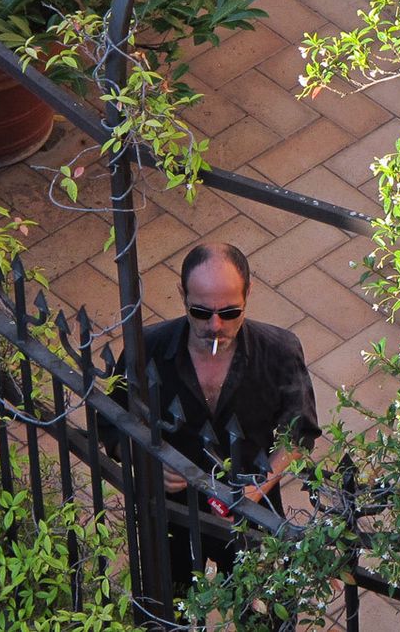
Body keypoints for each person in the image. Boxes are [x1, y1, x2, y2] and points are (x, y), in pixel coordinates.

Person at [105, 242, 320, 620]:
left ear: (249, 294)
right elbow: (110, 422)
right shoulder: (148, 348)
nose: (215, 326)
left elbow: (299, 433)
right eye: (200, 312)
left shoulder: (280, 351)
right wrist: (145, 459)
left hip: (250, 512)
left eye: (230, 312)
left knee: (261, 613)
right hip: (171, 513)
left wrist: (262, 483)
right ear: (182, 296)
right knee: (167, 609)